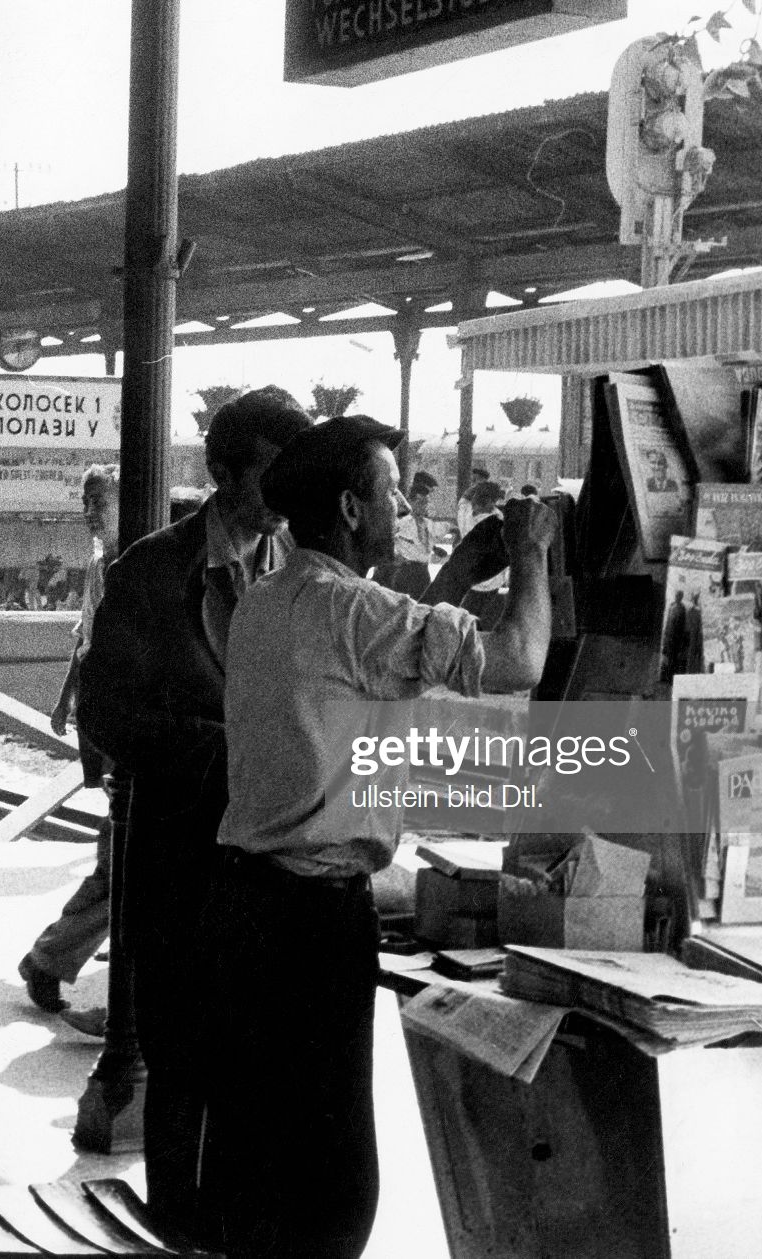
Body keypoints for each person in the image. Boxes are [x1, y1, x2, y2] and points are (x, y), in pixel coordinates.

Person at [206, 415, 553, 1259]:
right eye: (390, 489)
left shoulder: (270, 600)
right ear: (352, 509)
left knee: (263, 1163)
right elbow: (520, 659)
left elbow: (382, 654)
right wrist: (533, 551)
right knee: (334, 1188)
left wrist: (463, 573)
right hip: (310, 924)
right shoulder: (352, 610)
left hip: (246, 906)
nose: (401, 501)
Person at [74, 386, 314, 1246]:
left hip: (269, 873)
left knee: (251, 1073)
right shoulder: (151, 570)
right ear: (222, 473)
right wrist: (224, 748)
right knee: (178, 1065)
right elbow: (101, 714)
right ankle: (176, 1228)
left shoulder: (301, 576)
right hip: (179, 856)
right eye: (269, 475)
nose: (284, 495)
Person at [19, 465, 121, 1018]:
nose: (89, 513)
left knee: (121, 853)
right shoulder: (107, 564)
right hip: (113, 721)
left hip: (111, 716)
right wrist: (64, 699)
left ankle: (56, 956)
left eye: (96, 503)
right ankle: (53, 957)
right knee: (124, 855)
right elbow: (89, 642)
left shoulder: (116, 561)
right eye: (86, 503)